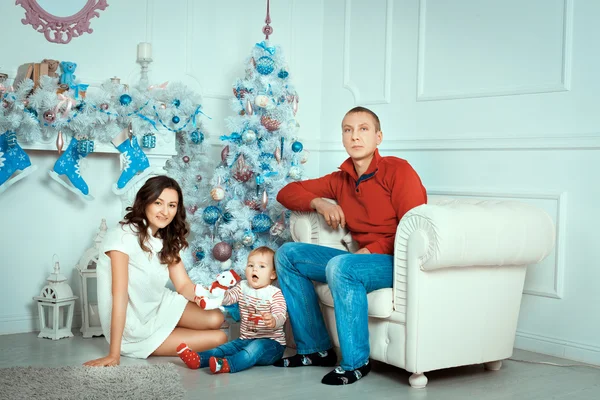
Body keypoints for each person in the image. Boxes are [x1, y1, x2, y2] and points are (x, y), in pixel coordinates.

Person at [274, 106, 427, 385]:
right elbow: (286, 192)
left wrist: (372, 250)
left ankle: (356, 362)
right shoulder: (340, 179)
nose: (355, 136)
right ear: (343, 138)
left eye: (363, 129)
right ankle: (316, 349)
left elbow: (416, 229)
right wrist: (317, 203)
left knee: (342, 266)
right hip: (361, 260)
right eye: (348, 130)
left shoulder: (398, 170)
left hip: (395, 260)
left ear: (378, 137)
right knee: (288, 255)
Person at [84, 175, 227, 367]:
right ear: (145, 202)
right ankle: (155, 337)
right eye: (158, 203)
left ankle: (172, 326)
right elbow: (119, 297)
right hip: (134, 327)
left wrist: (210, 296)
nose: (165, 211)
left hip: (160, 306)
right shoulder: (121, 237)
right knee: (219, 338)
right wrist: (114, 354)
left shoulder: (165, 237)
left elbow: (184, 285)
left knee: (216, 317)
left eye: (172, 205)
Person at [177, 246, 287, 374]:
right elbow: (229, 297)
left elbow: (281, 315)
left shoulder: (274, 294)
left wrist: (274, 320)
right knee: (225, 348)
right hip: (246, 339)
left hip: (272, 345)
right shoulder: (243, 286)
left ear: (272, 274)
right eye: (251, 265)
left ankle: (227, 364)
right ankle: (199, 359)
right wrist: (215, 294)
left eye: (262, 266)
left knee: (254, 348)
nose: (255, 269)